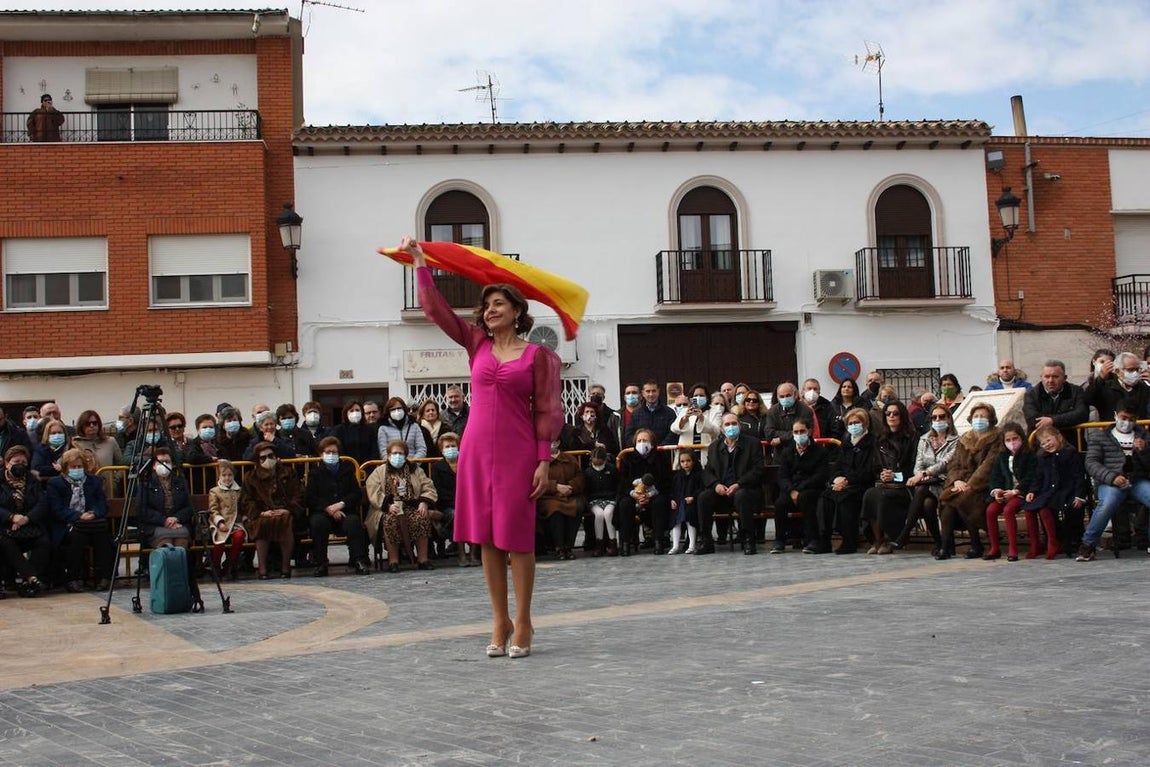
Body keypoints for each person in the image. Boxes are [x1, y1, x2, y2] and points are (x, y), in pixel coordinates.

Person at [400, 236, 563, 659]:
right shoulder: (477, 344)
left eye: (498, 305)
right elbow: (436, 311)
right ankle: (499, 619)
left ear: (517, 312)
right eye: (486, 306)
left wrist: (544, 461)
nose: (490, 311)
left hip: (519, 452)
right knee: (487, 539)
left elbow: (547, 410)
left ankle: (524, 620)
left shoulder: (538, 356)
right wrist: (420, 263)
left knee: (518, 539)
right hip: (474, 450)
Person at [1076, 399, 1150, 562]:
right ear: (1116, 416)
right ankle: (1088, 544)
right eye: (1124, 418)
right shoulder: (1101, 436)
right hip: (1111, 482)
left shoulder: (1144, 436)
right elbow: (1091, 462)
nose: (1127, 423)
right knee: (1107, 503)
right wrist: (1111, 477)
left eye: (1131, 419)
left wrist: (1144, 451)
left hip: (1137, 481)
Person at [891, 404, 960, 555]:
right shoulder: (924, 439)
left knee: (922, 492)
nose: (938, 420)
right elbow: (918, 464)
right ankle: (939, 542)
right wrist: (922, 475)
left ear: (949, 419)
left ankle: (906, 532)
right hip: (927, 483)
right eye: (934, 417)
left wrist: (924, 474)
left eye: (942, 417)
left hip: (945, 482)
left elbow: (946, 463)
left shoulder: (955, 440)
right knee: (927, 503)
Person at [936, 404, 1003, 559]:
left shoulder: (997, 437)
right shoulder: (965, 438)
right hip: (963, 482)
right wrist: (957, 480)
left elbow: (989, 465)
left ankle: (975, 543)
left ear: (991, 419)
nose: (979, 419)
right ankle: (945, 546)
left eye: (983, 416)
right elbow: (954, 464)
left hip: (984, 485)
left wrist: (971, 484)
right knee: (946, 502)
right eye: (976, 416)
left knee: (963, 499)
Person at [365, 438, 438, 573]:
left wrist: (424, 502)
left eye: (401, 453)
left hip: (412, 506)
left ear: (405, 455)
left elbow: (428, 487)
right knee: (389, 520)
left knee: (421, 518)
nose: (397, 456)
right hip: (387, 509)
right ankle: (393, 561)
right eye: (394, 453)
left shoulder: (415, 470)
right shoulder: (379, 472)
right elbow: (373, 491)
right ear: (388, 455)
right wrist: (387, 505)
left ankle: (423, 559)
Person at [697, 412, 766, 555]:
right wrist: (716, 485)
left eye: (734, 424)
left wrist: (739, 484)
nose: (731, 427)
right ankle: (706, 541)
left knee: (741, 496)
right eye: (727, 424)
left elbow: (758, 470)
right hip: (722, 492)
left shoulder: (753, 444)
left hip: (746, 490)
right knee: (704, 498)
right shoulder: (714, 447)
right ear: (721, 428)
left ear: (740, 425)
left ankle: (748, 539)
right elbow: (707, 471)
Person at [47, 448, 113, 592]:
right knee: (78, 536)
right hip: (68, 524)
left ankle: (104, 577)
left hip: (92, 522)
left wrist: (93, 513)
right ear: (65, 468)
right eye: (73, 467)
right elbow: (57, 509)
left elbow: (102, 504)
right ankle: (73, 578)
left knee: (103, 535)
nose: (77, 469)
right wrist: (78, 516)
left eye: (79, 466)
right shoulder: (55, 483)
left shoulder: (94, 481)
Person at [813, 407, 875, 555]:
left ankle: (849, 540)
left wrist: (847, 481)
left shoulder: (872, 443)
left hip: (861, 485)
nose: (853, 425)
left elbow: (869, 470)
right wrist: (836, 478)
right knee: (825, 497)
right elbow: (838, 465)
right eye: (850, 423)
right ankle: (824, 540)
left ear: (864, 423)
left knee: (845, 499)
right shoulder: (846, 443)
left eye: (857, 422)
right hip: (842, 483)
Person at [306, 437, 370, 576]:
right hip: (323, 512)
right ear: (321, 454)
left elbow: (355, 493)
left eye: (334, 452)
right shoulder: (314, 473)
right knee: (318, 523)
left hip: (345, 510)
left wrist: (341, 504)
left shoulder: (347, 470)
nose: (331, 455)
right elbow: (311, 497)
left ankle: (359, 560)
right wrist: (329, 509)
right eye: (327, 452)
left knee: (353, 523)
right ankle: (321, 563)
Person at [861, 400, 917, 555]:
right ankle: (877, 539)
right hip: (884, 483)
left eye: (895, 413)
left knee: (886, 498)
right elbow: (875, 465)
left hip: (905, 485)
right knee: (870, 494)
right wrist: (882, 474)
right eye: (888, 413)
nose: (891, 416)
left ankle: (889, 538)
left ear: (902, 416)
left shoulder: (911, 438)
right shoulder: (880, 439)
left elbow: (913, 465)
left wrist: (896, 475)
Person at [240, 441, 303, 579]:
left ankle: (285, 568)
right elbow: (246, 500)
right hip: (262, 513)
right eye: (263, 458)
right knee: (262, 523)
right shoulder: (251, 477)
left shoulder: (288, 472)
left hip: (285, 511)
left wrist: (289, 509)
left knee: (286, 520)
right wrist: (260, 512)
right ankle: (263, 568)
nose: (268, 460)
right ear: (257, 460)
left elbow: (297, 494)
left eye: (270, 456)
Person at [1023, 426, 1088, 559]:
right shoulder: (1043, 457)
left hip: (1067, 490)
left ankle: (1062, 541)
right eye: (1043, 443)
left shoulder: (1070, 453)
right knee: (1030, 508)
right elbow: (1038, 476)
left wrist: (1080, 495)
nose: (1047, 444)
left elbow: (1079, 476)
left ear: (1058, 437)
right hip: (1049, 491)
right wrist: (1032, 491)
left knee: (1067, 509)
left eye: (1049, 440)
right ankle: (1041, 542)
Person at [774, 418, 830, 554]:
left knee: (806, 499)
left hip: (811, 488)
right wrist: (791, 490)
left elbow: (820, 476)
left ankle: (812, 540)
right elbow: (782, 475)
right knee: (780, 503)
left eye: (802, 431)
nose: (799, 434)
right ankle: (780, 540)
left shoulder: (820, 452)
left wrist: (799, 489)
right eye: (796, 432)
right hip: (790, 489)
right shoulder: (787, 452)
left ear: (809, 431)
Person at [0, 445, 50, 596]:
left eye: (23, 462)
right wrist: (11, 517)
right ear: (7, 463)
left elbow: (42, 504)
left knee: (44, 542)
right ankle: (31, 578)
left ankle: (29, 582)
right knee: (6, 543)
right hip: (4, 526)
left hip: (28, 524)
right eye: (16, 461)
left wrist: (26, 518)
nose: (20, 465)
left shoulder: (32, 480)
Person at [983, 423, 1037, 561]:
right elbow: (995, 476)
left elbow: (1031, 476)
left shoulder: (1029, 454)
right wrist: (996, 491)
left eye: (1015, 439)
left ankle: (1013, 548)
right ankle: (994, 547)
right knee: (991, 510)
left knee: (1009, 510)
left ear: (1021, 438)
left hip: (1022, 493)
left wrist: (1016, 491)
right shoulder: (1002, 456)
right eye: (1008, 440)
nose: (1012, 443)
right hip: (1006, 492)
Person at [615, 428, 672, 555]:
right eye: (639, 440)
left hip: (654, 494)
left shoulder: (660, 457)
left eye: (645, 440)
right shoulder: (627, 457)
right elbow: (623, 482)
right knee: (624, 504)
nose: (642, 443)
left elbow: (665, 481)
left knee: (660, 502)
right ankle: (625, 543)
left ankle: (658, 541)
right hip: (633, 494)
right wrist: (634, 494)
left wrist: (650, 495)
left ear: (652, 443)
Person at [430, 432, 477, 566]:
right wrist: (458, 504)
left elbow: (473, 486)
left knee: (473, 514)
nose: (450, 448)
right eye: (447, 446)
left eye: (453, 445)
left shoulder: (467, 463)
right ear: (442, 450)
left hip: (468, 503)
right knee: (457, 515)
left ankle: (473, 554)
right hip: (447, 506)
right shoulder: (437, 467)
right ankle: (462, 555)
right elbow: (439, 491)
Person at [535, 441, 584, 560]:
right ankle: (559, 547)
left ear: (558, 442)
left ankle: (569, 546)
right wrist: (555, 487)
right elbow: (536, 480)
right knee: (555, 509)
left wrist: (571, 487)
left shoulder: (570, 459)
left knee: (578, 506)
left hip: (569, 494)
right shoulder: (539, 460)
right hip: (548, 496)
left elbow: (580, 476)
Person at [1024, 360, 1089, 446]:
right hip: (1041, 446)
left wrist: (1053, 420)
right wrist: (1066, 418)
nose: (1050, 380)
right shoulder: (1031, 394)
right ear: (1041, 377)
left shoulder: (1076, 391)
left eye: (1055, 377)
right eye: (1047, 376)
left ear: (1064, 378)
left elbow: (1082, 414)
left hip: (1072, 445)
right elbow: (1032, 419)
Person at [207, 459, 245, 581]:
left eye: (230, 475)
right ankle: (216, 566)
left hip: (235, 523)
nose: (227, 478)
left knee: (239, 536)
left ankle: (231, 564)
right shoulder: (214, 491)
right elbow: (213, 509)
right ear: (219, 476)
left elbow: (243, 506)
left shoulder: (239, 490)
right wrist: (220, 522)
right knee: (219, 541)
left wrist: (244, 518)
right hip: (220, 522)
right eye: (224, 475)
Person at [583, 446, 619, 557]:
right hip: (594, 501)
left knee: (608, 514)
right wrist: (588, 502)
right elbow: (586, 490)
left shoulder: (612, 469)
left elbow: (618, 486)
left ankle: (613, 542)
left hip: (610, 499)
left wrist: (616, 499)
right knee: (599, 515)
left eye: (600, 464)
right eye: (595, 465)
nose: (598, 467)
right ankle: (599, 543)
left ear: (605, 460)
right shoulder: (588, 472)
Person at [669, 448, 704, 554]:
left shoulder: (698, 475)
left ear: (693, 461)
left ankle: (692, 545)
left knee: (690, 521)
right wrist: (672, 500)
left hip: (691, 504)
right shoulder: (677, 476)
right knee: (676, 523)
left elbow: (701, 488)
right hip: (679, 503)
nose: (685, 464)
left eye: (688, 461)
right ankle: (675, 545)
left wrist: (693, 497)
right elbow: (672, 490)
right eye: (682, 461)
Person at [764, 382, 819, 449]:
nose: (785, 398)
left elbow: (807, 432)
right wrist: (792, 434)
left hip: (801, 451)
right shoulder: (772, 411)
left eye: (788, 395)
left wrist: (781, 439)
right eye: (782, 396)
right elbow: (769, 434)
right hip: (781, 453)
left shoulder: (805, 410)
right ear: (778, 397)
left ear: (795, 394)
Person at [669, 393, 717, 467]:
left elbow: (716, 431)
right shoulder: (684, 411)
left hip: (705, 454)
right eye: (696, 395)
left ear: (707, 398)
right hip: (686, 459)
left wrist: (701, 418)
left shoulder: (714, 411)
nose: (698, 398)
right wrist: (685, 419)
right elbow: (674, 429)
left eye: (701, 395)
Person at [624, 380, 676, 447]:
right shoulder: (636, 414)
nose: (651, 394)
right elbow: (629, 435)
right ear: (643, 393)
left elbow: (673, 433)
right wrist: (639, 446)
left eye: (654, 391)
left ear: (658, 392)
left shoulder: (669, 412)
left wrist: (660, 447)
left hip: (663, 453)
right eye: (648, 391)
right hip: (641, 455)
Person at [376, 396, 427, 460]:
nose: (397, 411)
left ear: (404, 409)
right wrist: (391, 464)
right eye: (393, 409)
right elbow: (383, 451)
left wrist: (413, 463)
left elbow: (421, 448)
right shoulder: (383, 428)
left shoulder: (414, 426)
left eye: (399, 408)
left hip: (412, 466)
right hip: (391, 466)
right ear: (388, 412)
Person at [330, 401, 378, 465]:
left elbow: (374, 451)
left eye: (357, 410)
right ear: (346, 413)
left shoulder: (369, 430)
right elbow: (337, 449)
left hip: (366, 468)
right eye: (351, 411)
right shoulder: (338, 430)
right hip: (345, 469)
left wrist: (367, 467)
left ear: (362, 413)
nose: (355, 413)